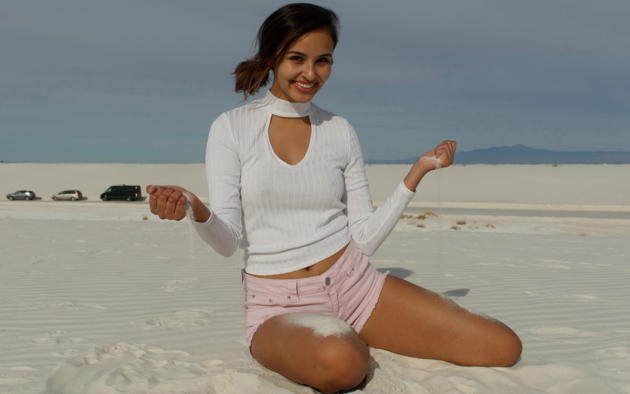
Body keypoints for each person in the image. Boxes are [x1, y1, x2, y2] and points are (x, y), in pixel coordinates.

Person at [147, 3, 522, 393]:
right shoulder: (232, 128)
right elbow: (227, 243)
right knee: (344, 364)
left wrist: (416, 173)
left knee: (502, 346)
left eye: (323, 61)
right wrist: (194, 205)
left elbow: (363, 238)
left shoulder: (339, 129)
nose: (311, 73)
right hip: (279, 305)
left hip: (357, 285)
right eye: (297, 59)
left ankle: (345, 333)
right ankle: (322, 341)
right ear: (273, 55)